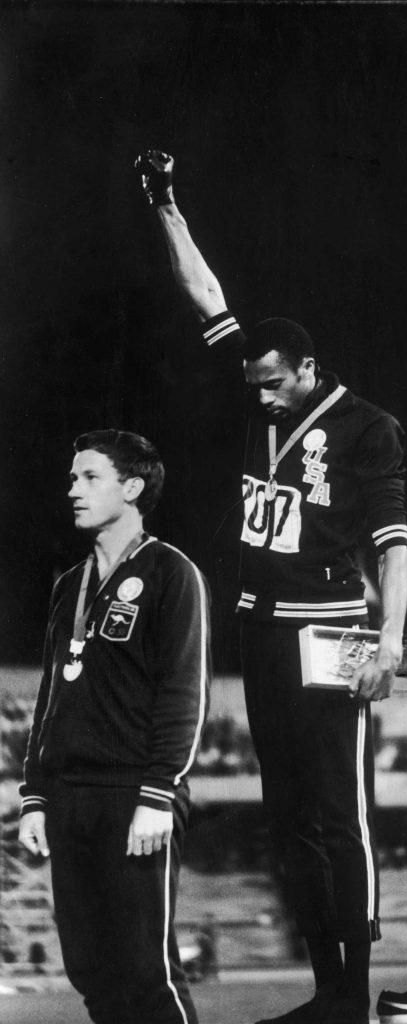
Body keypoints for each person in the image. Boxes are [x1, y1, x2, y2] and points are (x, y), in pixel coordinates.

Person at [135, 149, 407, 1024]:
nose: (256, 400)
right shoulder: (256, 386)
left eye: (270, 386)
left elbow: (396, 545)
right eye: (250, 385)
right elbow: (206, 296)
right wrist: (166, 205)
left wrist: (392, 642)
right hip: (261, 629)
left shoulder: (369, 428)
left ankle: (354, 989)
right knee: (287, 811)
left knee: (341, 813)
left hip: (332, 631)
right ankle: (323, 988)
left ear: (304, 369)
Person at [18, 430, 211, 1024]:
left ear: (132, 488)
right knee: (92, 971)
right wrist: (34, 796)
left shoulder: (172, 573)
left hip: (136, 797)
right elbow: (50, 697)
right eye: (73, 478)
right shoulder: (67, 587)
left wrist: (158, 793)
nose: (72, 489)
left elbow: (186, 693)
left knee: (146, 972)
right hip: (70, 799)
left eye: (89, 477)